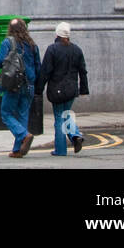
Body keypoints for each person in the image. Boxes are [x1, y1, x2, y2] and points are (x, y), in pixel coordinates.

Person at [35, 21, 90, 156]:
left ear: (57, 34)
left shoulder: (52, 49)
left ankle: (61, 150)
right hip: (71, 90)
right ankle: (75, 135)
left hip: (57, 90)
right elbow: (83, 71)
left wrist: (38, 89)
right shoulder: (77, 49)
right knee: (66, 114)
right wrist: (83, 89)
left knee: (59, 118)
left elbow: (45, 71)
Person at [0, 17, 40, 157]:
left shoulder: (7, 42)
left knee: (6, 113)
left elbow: (0, 62)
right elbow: (38, 67)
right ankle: (17, 150)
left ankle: (23, 135)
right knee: (22, 115)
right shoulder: (32, 45)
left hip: (14, 85)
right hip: (29, 85)